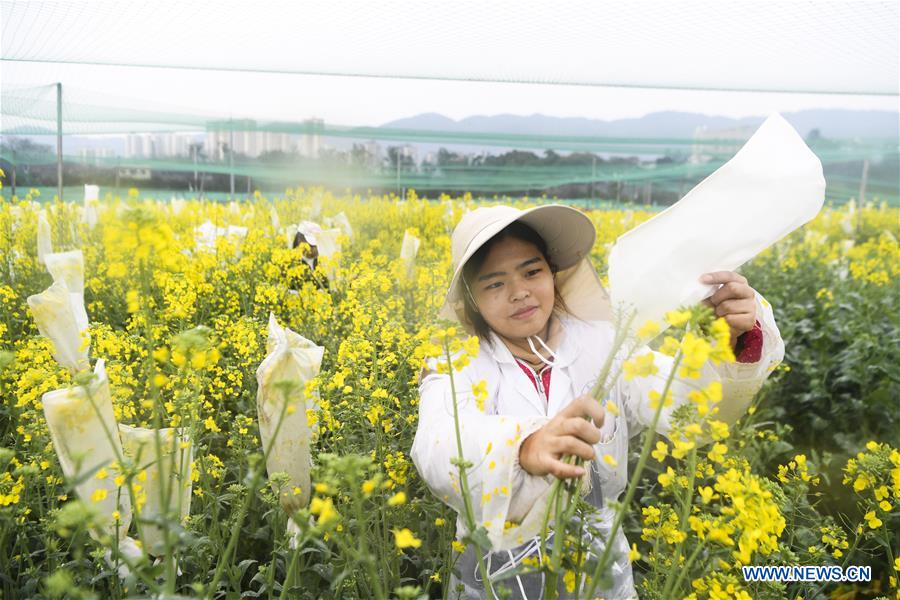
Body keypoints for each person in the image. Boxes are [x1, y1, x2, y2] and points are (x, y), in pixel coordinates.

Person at [410, 204, 785, 599]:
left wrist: (727, 341)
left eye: (532, 272)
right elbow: (437, 444)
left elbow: (684, 406)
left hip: (600, 575)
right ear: (472, 298)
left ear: (553, 273)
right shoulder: (454, 363)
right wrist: (523, 447)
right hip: (494, 578)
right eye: (494, 284)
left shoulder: (607, 345)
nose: (519, 292)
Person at [290, 221, 329, 291]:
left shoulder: (323, 262)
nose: (314, 248)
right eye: (311, 245)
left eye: (316, 244)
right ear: (299, 240)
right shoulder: (291, 263)